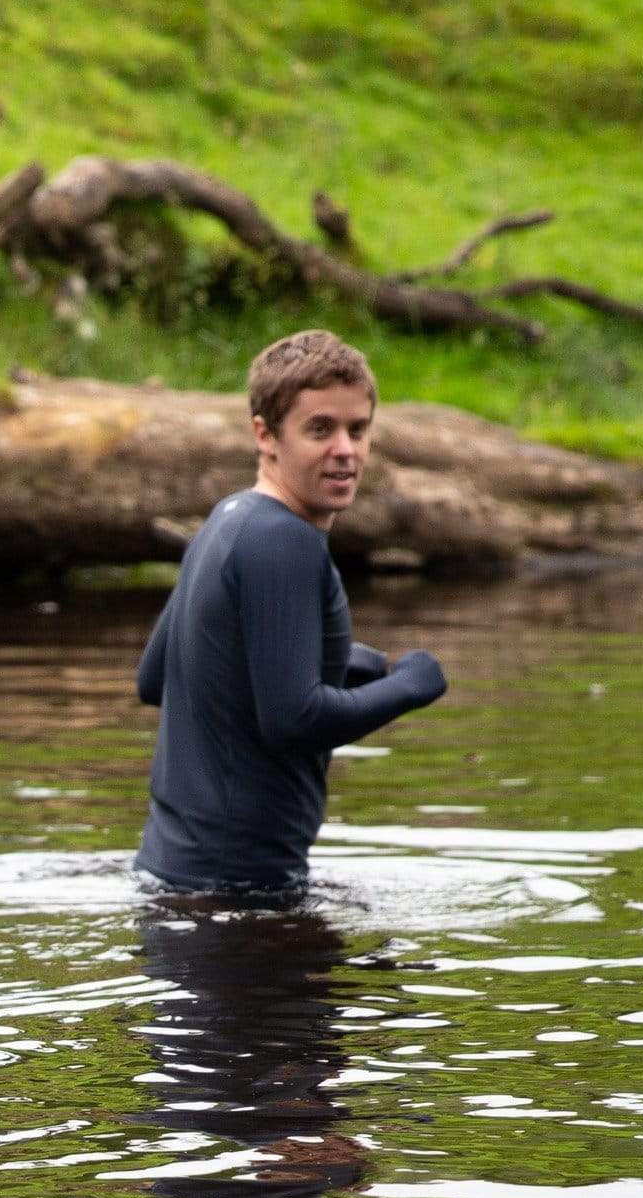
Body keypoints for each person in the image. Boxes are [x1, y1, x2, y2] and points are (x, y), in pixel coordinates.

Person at [134, 329, 450, 900]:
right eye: (320, 429)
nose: (345, 450)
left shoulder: (226, 521)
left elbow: (159, 677)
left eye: (359, 429)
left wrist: (342, 661)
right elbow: (294, 719)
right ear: (266, 434)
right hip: (240, 890)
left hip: (173, 875)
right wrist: (411, 685)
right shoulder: (285, 542)